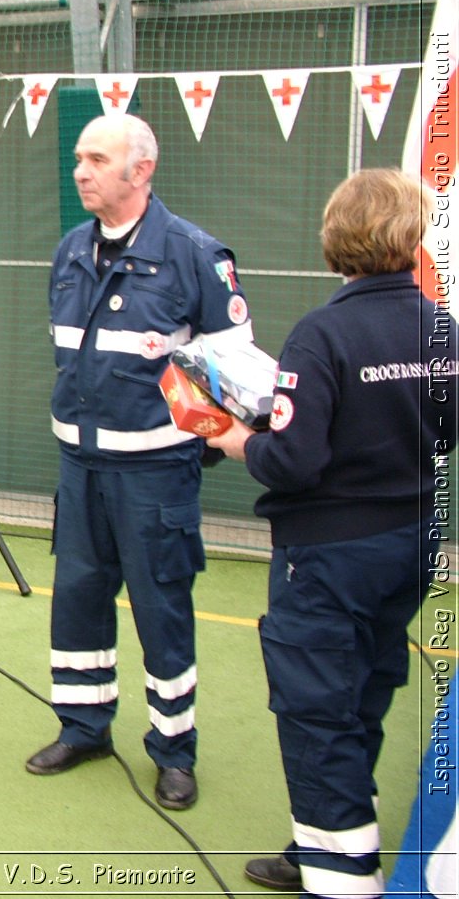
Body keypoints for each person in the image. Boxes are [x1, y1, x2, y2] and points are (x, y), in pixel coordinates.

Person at [205, 169, 456, 898]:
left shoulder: (322, 333)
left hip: (329, 556)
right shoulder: (441, 325)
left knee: (318, 711)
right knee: (364, 693)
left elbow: (292, 460)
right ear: (411, 238)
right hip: (409, 544)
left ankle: (342, 880)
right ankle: (323, 845)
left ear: (334, 239)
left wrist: (234, 439)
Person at [27, 114, 253, 808]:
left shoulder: (194, 255)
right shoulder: (69, 250)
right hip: (80, 469)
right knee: (78, 604)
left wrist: (196, 442)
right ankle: (84, 726)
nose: (81, 171)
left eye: (97, 159)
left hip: (156, 478)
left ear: (141, 170)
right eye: (78, 158)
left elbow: (234, 371)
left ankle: (173, 751)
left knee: (162, 611)